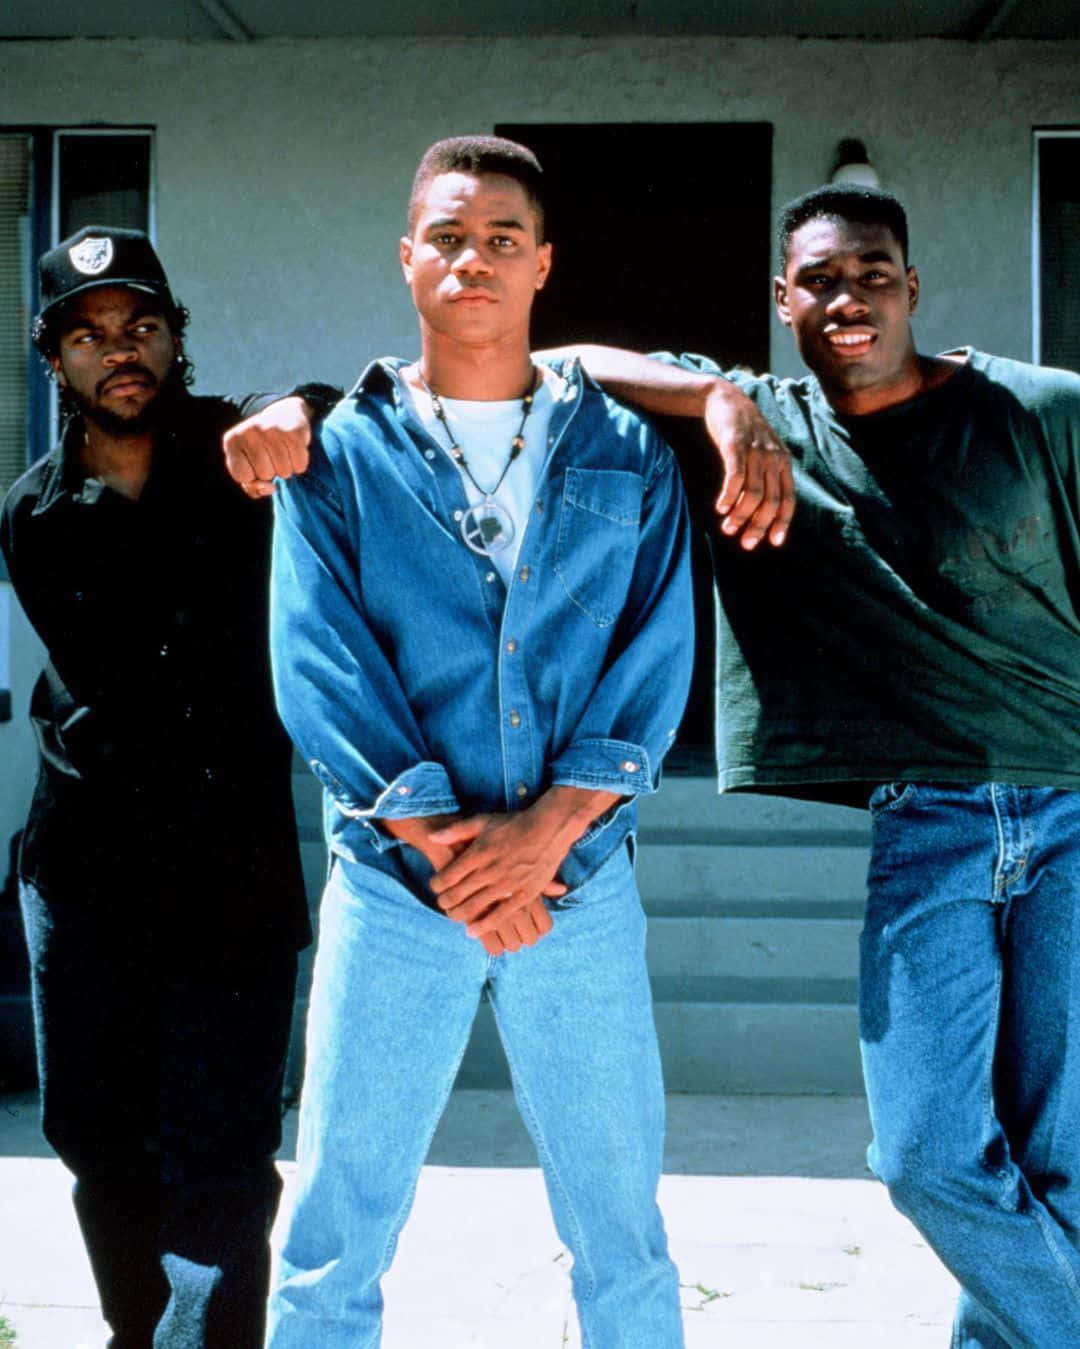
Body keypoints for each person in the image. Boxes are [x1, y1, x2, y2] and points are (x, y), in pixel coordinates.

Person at [548, 183, 1080, 1347]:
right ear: (784, 297)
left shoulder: (1039, 409)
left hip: (1074, 807)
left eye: (874, 272)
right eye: (823, 278)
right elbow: (560, 362)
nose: (850, 297)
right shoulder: (772, 416)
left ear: (914, 288)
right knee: (929, 1154)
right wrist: (719, 397)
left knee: (1061, 1168)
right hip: (929, 818)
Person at [264, 134, 695, 1347]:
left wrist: (549, 831)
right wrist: (454, 854)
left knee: (622, 1227)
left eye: (502, 239)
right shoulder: (336, 453)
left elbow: (655, 654)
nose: (474, 260)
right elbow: (319, 662)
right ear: (408, 258)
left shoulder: (625, 451)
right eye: (447, 237)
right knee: (333, 1232)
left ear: (543, 266)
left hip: (583, 883)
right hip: (399, 887)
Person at [0, 224, 337, 1349]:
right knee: (94, 1131)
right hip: (87, 863)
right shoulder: (34, 513)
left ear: (175, 338)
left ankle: (218, 1331)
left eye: (141, 325)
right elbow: (128, 688)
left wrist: (305, 406)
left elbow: (351, 413)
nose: (120, 350)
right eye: (89, 336)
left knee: (225, 1143)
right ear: (56, 361)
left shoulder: (247, 459)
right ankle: (140, 1328)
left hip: (228, 863)